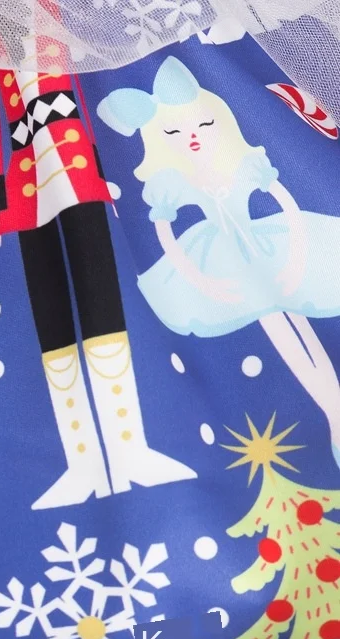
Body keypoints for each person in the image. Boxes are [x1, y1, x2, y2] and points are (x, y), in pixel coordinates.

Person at [0, 15, 195, 510]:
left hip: (78, 164)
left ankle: (132, 450)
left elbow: (82, 81)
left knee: (105, 305)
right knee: (51, 321)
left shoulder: (57, 11)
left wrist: (101, 163)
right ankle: (81, 461)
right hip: (23, 178)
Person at [98, 56, 340, 467]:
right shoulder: (173, 182)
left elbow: (284, 200)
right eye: (173, 132)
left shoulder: (241, 161)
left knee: (300, 322)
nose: (191, 137)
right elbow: (166, 235)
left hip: (271, 244)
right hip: (220, 262)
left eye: (203, 124)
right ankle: (332, 414)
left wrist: (298, 251)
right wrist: (203, 281)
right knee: (280, 328)